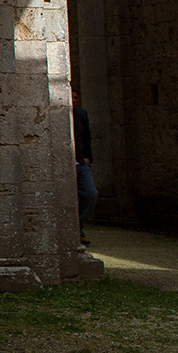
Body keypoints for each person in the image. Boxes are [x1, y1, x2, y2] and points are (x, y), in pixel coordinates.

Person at [73, 89, 96, 245]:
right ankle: (74, 230)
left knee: (90, 194)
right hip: (64, 164)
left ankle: (78, 227)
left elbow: (86, 137)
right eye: (71, 97)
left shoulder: (81, 114)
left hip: (81, 163)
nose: (74, 100)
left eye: (76, 97)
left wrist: (88, 157)